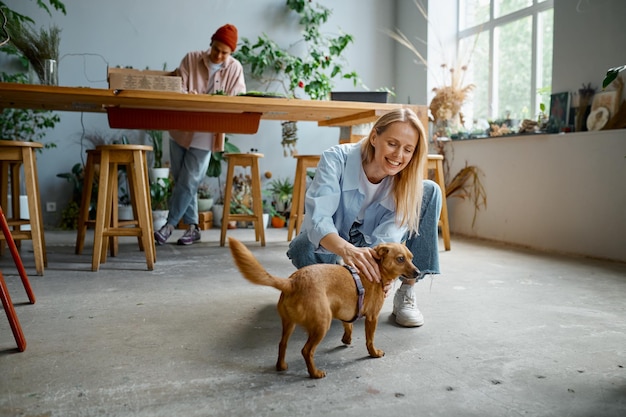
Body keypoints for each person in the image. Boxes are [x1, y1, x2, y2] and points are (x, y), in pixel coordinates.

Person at [286, 108, 442, 327]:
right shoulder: (335, 159)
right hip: (335, 242)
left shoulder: (406, 182)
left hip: (371, 245)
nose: (398, 156)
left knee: (430, 190)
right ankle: (339, 291)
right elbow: (318, 218)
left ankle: (406, 291)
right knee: (303, 247)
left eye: (408, 149)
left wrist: (381, 273)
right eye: (392, 143)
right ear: (375, 137)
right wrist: (347, 251)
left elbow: (389, 235)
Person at [154, 23, 246, 245]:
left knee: (189, 180)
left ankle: (169, 225)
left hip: (208, 132)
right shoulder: (191, 58)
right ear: (211, 44)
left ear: (231, 52)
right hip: (180, 128)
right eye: (216, 49)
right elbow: (178, 87)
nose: (219, 55)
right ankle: (193, 228)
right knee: (184, 181)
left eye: (225, 52)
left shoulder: (234, 68)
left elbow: (239, 97)